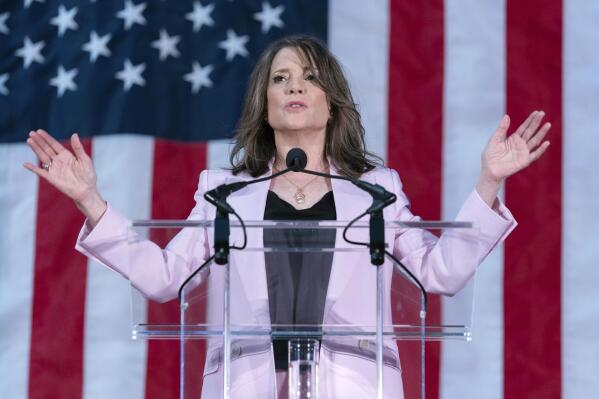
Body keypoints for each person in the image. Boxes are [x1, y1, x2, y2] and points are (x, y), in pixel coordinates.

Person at [24, 35, 550, 398]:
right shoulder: (224, 192)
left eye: (308, 77)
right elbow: (165, 280)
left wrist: (488, 183)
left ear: (331, 102)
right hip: (245, 385)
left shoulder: (376, 192)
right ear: (266, 102)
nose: (294, 87)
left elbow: (440, 274)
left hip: (356, 385)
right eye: (280, 78)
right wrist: (91, 201)